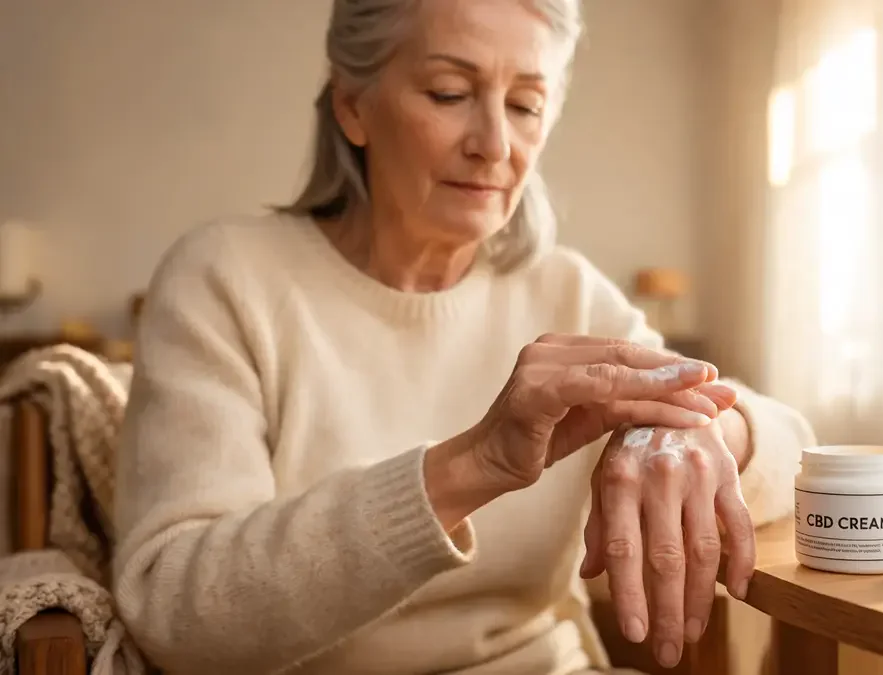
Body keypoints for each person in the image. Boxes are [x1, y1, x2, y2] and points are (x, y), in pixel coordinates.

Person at [111, 0, 815, 673]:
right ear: (353, 104)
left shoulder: (565, 291)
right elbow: (174, 609)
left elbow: (798, 447)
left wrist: (690, 431)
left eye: (526, 105)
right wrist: (473, 463)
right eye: (449, 93)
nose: (494, 145)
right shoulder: (226, 279)